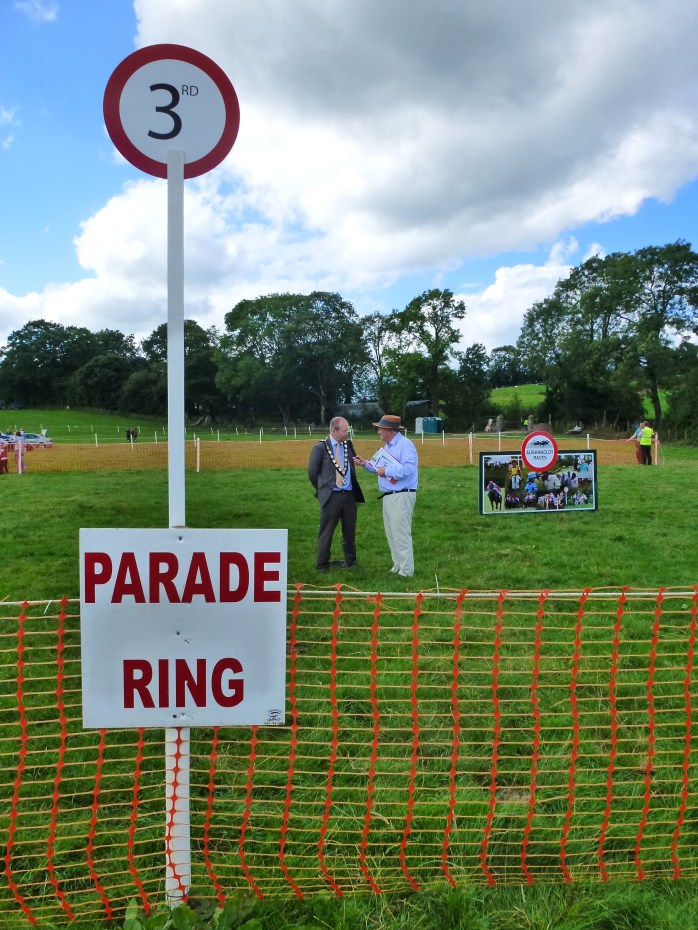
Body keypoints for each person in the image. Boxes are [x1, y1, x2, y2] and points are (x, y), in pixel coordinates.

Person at [353, 414, 419, 578]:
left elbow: (409, 469)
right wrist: (365, 464)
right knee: (391, 533)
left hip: (401, 495)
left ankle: (406, 571)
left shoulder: (405, 445)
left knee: (400, 533)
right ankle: (397, 565)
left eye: (380, 429)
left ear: (389, 430)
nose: (378, 432)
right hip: (389, 495)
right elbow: (378, 468)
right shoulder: (388, 447)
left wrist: (387, 471)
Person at [308, 416, 364, 573]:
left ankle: (351, 562)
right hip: (331, 496)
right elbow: (312, 473)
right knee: (326, 532)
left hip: (349, 496)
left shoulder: (348, 445)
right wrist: (324, 490)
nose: (347, 433)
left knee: (350, 531)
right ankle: (322, 564)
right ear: (334, 430)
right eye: (345, 430)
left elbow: (351, 467)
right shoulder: (320, 448)